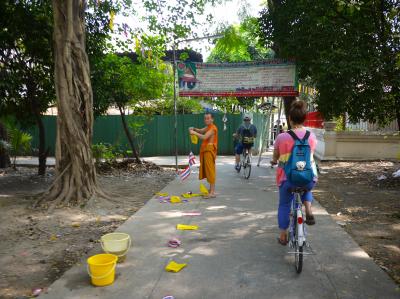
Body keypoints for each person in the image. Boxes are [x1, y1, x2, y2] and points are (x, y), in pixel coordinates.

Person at [270, 100, 318, 246]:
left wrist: (274, 161)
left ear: (290, 119)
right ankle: (308, 208)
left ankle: (283, 235)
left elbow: (276, 156)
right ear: (304, 118)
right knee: (307, 188)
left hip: (287, 178)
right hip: (308, 176)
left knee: (284, 204)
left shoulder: (282, 137)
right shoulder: (312, 137)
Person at [189, 113, 218, 198]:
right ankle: (211, 190)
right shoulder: (208, 127)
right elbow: (201, 131)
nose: (206, 120)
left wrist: (194, 132)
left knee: (210, 170)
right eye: (205, 118)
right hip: (206, 150)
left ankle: (212, 192)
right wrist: (194, 129)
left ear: (212, 119)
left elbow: (204, 137)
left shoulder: (213, 128)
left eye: (208, 118)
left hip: (209, 150)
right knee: (208, 170)